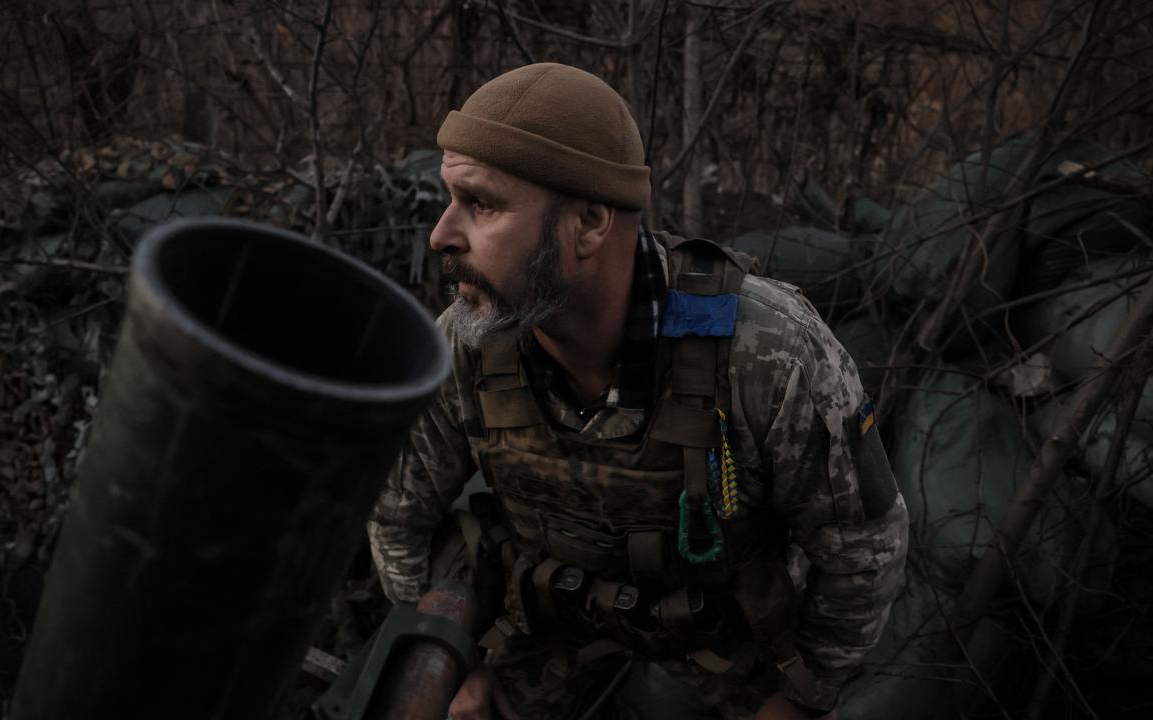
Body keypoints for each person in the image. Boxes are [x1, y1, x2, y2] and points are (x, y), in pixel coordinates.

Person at [367, 62, 908, 720]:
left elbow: (863, 548)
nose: (441, 234)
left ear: (589, 224)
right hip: (544, 627)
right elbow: (397, 517)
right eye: (450, 198)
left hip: (727, 640)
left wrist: (801, 696)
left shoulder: (765, 351)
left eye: (482, 203)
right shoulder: (467, 341)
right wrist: (460, 657)